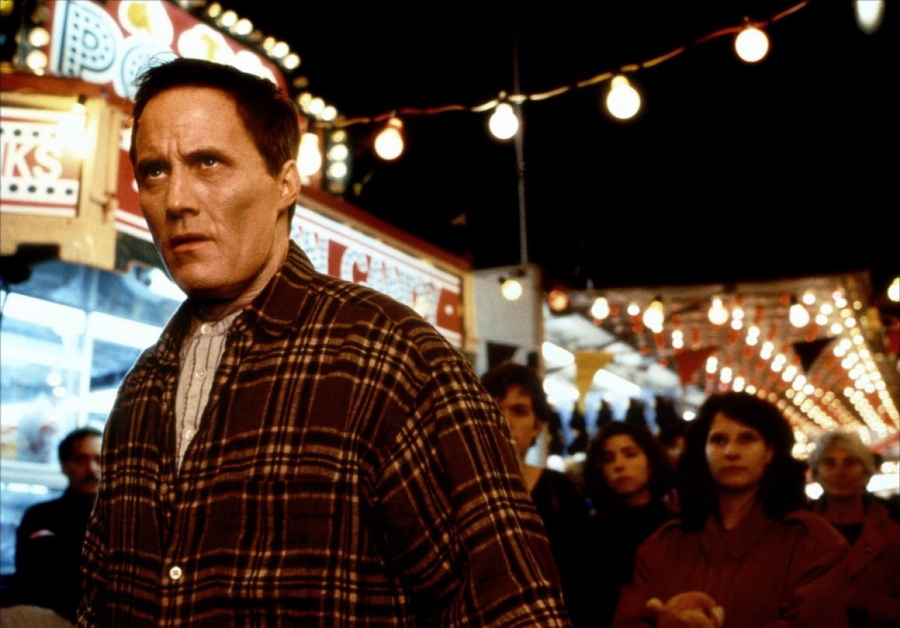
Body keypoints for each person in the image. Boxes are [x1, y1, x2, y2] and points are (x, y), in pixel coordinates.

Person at [78, 57, 570, 626]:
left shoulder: (391, 359)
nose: (176, 199)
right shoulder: (142, 389)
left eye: (208, 162)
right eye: (153, 171)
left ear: (286, 183)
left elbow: (510, 610)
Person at [613, 391, 849, 627]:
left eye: (747, 439)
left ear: (770, 451)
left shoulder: (814, 543)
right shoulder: (662, 545)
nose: (731, 452)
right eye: (718, 440)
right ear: (703, 451)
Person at [480, 362, 591, 626]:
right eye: (493, 409)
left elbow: (583, 579)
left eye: (519, 411)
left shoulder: (559, 491)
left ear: (536, 426)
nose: (504, 420)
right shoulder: (456, 492)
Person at [582, 420, 676, 627]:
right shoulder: (589, 530)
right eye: (608, 459)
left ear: (651, 461)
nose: (619, 465)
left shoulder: (673, 527)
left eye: (630, 454)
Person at [809, 430, 900, 628]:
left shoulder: (892, 535)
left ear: (866, 474)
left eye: (850, 462)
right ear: (816, 474)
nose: (840, 472)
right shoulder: (797, 532)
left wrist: (855, 598)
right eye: (829, 463)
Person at [14, 426, 101, 624]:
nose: (92, 469)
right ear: (63, 465)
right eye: (80, 459)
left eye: (99, 459)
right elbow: (30, 579)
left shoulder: (124, 521)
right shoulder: (39, 517)